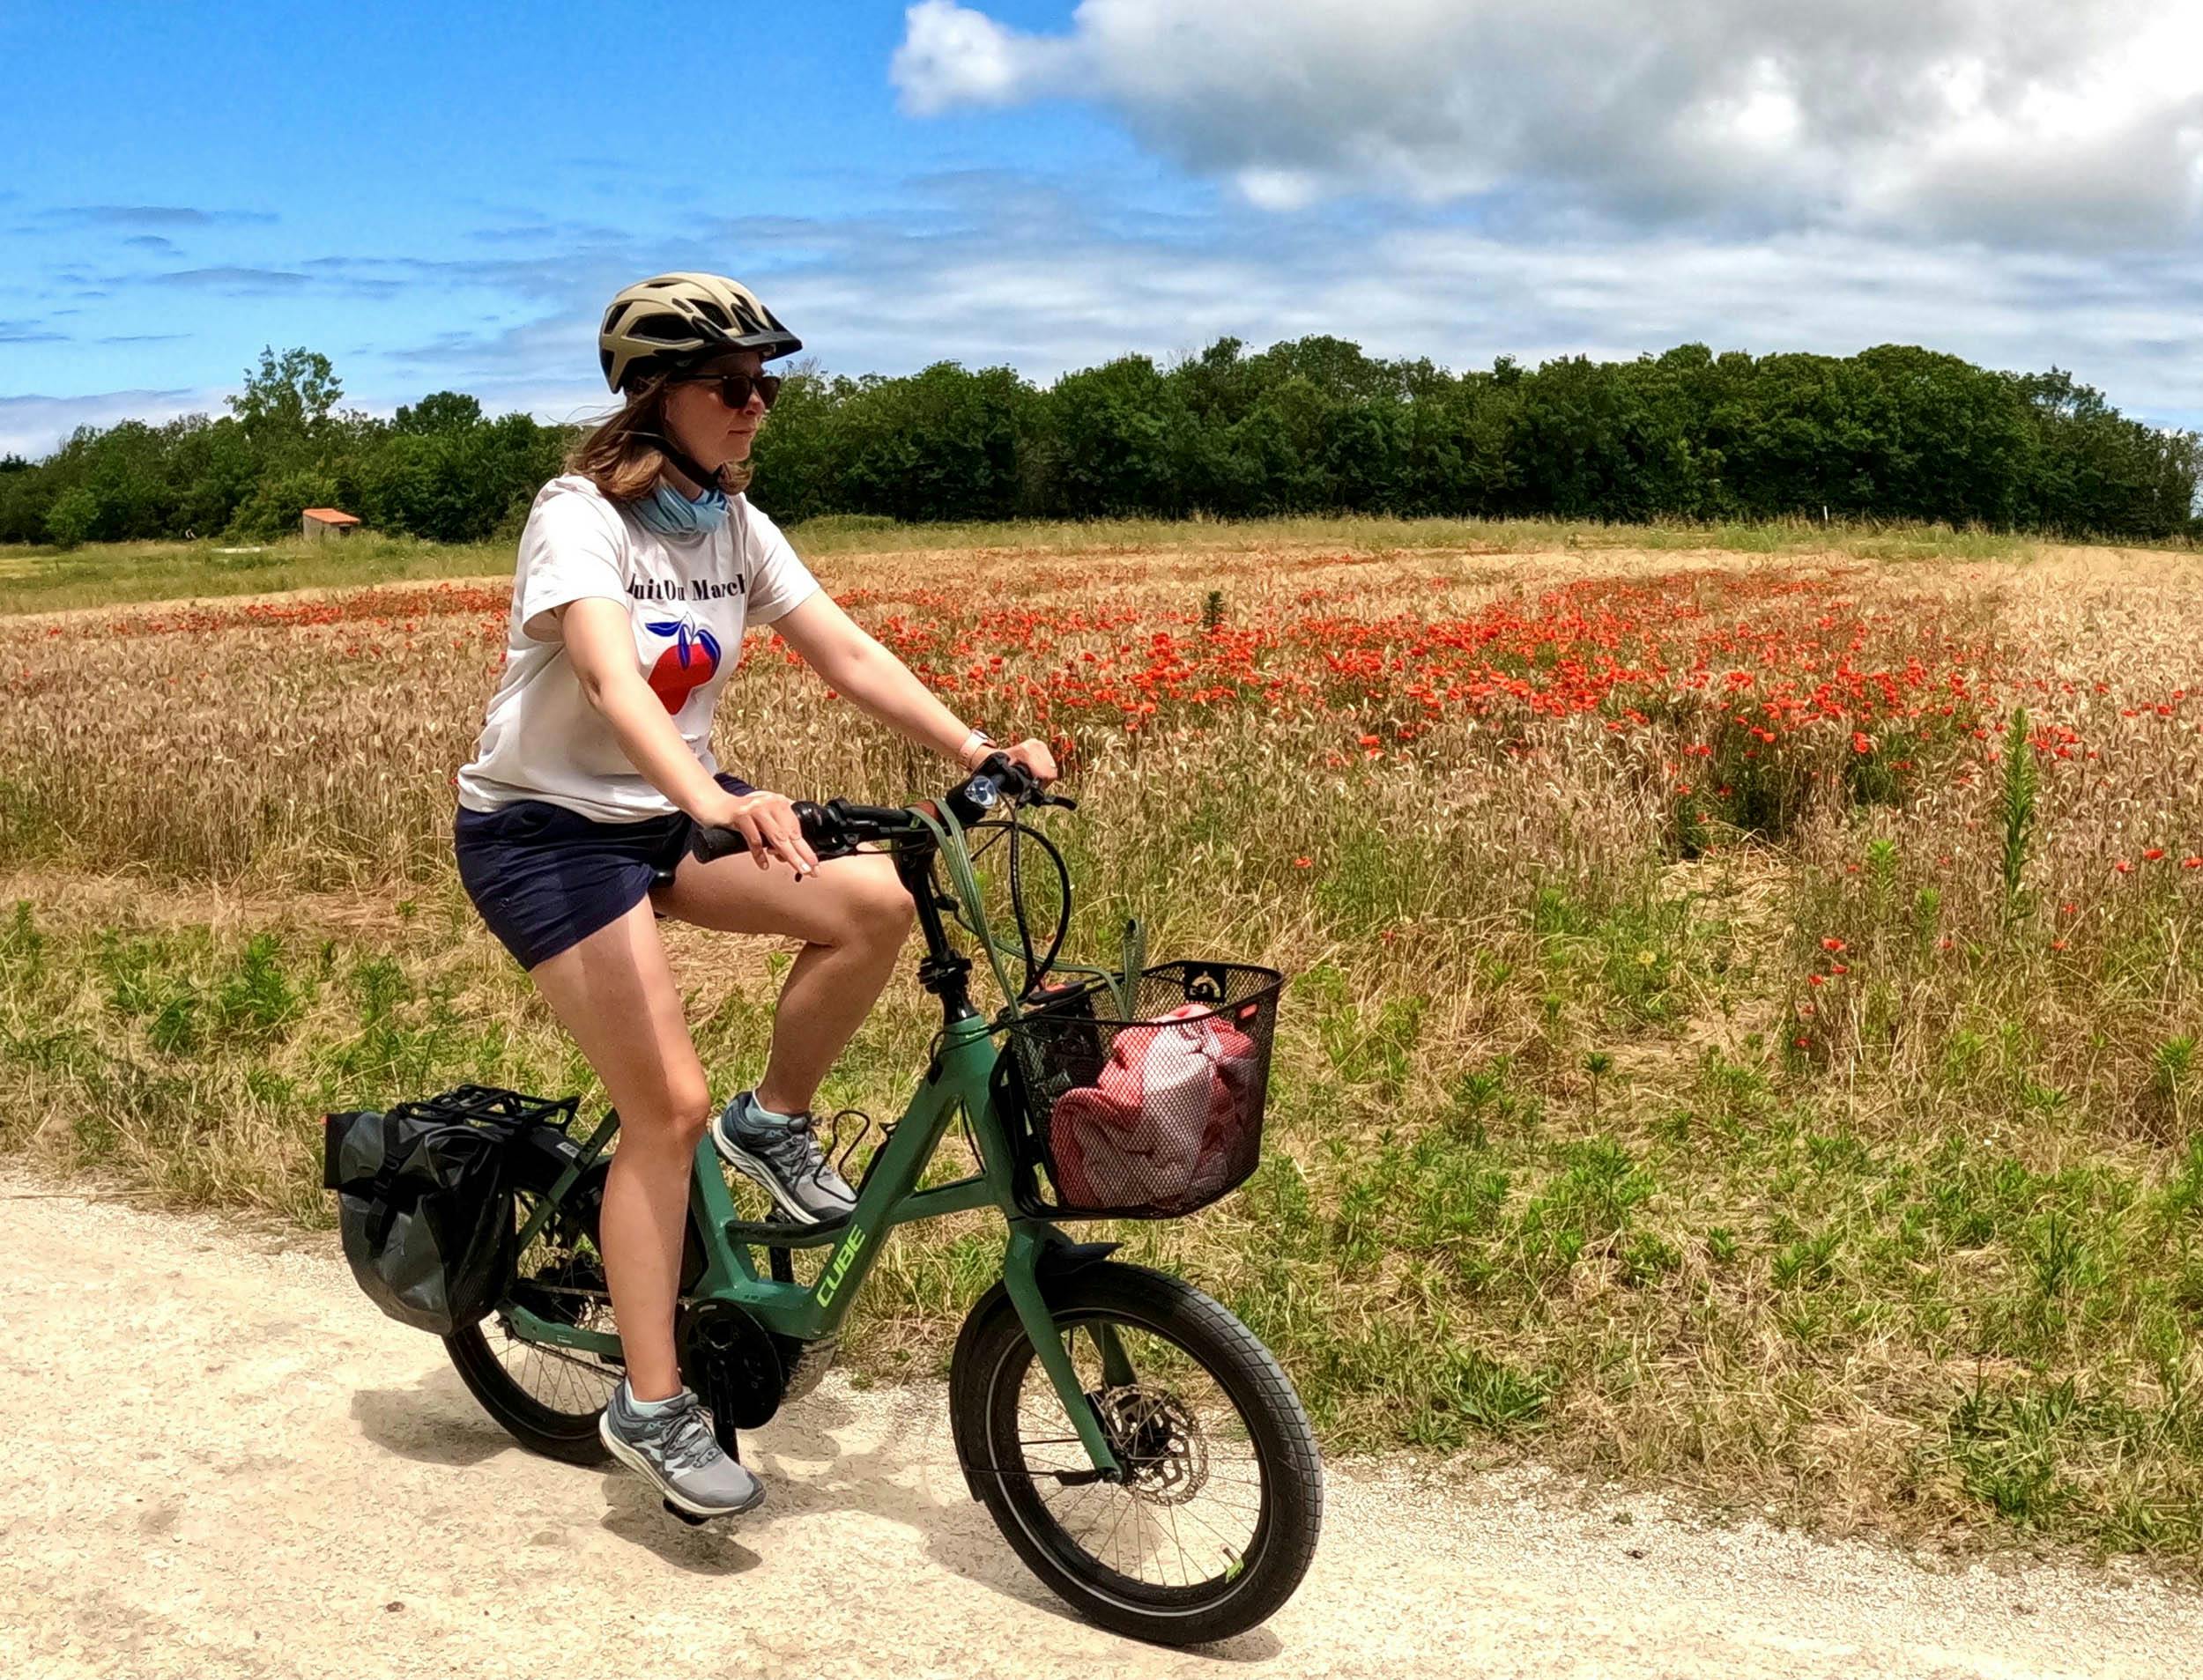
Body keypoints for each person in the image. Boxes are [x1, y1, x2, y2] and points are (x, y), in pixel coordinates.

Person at [450, 272, 1056, 1518]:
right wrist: (720, 800)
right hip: (547, 833)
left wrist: (974, 748)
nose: (757, 404)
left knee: (876, 904)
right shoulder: (578, 521)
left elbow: (844, 649)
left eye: (768, 384)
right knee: (662, 1106)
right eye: (734, 385)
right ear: (656, 395)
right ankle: (654, 1405)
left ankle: (773, 1120)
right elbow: (618, 686)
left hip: (669, 809)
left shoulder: (731, 522)